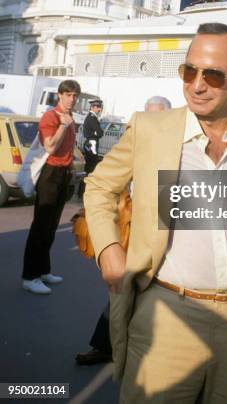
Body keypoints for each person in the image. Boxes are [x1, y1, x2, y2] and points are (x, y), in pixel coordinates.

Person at [84, 23, 227, 403]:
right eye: (189, 71)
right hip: (166, 314)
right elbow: (100, 187)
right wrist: (109, 251)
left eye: (213, 75)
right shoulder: (151, 128)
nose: (197, 84)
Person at [76, 96, 172, 366]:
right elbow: (102, 184)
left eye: (156, 116)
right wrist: (108, 244)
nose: (150, 121)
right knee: (120, 291)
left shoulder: (176, 148)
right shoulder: (136, 140)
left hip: (163, 239)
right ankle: (105, 346)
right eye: (146, 114)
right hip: (132, 230)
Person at [22, 79, 81, 295]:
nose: (72, 99)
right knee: (40, 226)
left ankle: (43, 270)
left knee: (52, 226)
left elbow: (67, 150)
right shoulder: (51, 117)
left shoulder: (70, 118)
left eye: (75, 95)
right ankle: (29, 277)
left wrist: (72, 168)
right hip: (50, 174)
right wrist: (63, 125)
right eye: (68, 95)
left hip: (64, 174)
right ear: (59, 95)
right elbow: (50, 146)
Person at [82, 99, 104, 175]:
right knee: (91, 165)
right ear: (92, 107)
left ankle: (85, 183)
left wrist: (96, 133)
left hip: (91, 142)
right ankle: (86, 184)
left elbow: (99, 133)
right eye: (98, 107)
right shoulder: (92, 118)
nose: (100, 109)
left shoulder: (92, 117)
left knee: (90, 163)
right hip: (92, 143)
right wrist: (96, 133)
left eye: (100, 107)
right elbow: (100, 133)